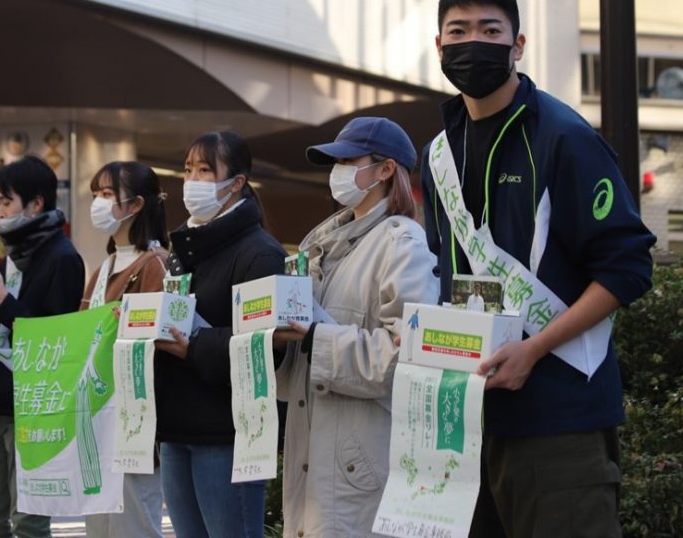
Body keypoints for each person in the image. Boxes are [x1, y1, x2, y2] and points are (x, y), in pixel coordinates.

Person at [420, 0, 656, 537]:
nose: (472, 42)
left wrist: (534, 349)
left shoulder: (562, 136)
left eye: (489, 30)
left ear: (517, 44)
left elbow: (627, 267)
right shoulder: (438, 152)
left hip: (559, 422)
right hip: (464, 423)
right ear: (439, 47)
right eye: (458, 31)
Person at [274, 117, 440, 537]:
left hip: (359, 459)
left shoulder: (403, 243)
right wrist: (275, 343)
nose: (338, 171)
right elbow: (297, 369)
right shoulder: (321, 248)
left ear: (386, 170)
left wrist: (314, 336)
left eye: (349, 160)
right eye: (336, 161)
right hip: (312, 455)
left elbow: (405, 357)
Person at [155, 130, 286, 538]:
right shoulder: (183, 248)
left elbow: (269, 345)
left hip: (227, 432)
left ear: (236, 183)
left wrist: (192, 346)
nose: (192, 181)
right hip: (177, 427)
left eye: (205, 170)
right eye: (188, 170)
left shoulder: (260, 253)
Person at [0, 155, 85, 538]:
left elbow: (53, 340)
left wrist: (1, 299)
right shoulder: (9, 259)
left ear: (37, 203)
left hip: (34, 408)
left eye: (6, 202)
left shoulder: (62, 259)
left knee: (28, 521)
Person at [81, 161, 169, 538]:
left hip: (134, 419)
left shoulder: (157, 265)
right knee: (100, 526)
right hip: (98, 418)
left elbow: (162, 343)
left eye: (106, 195)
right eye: (96, 194)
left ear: (135, 205)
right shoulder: (104, 268)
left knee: (133, 523)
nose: (97, 203)